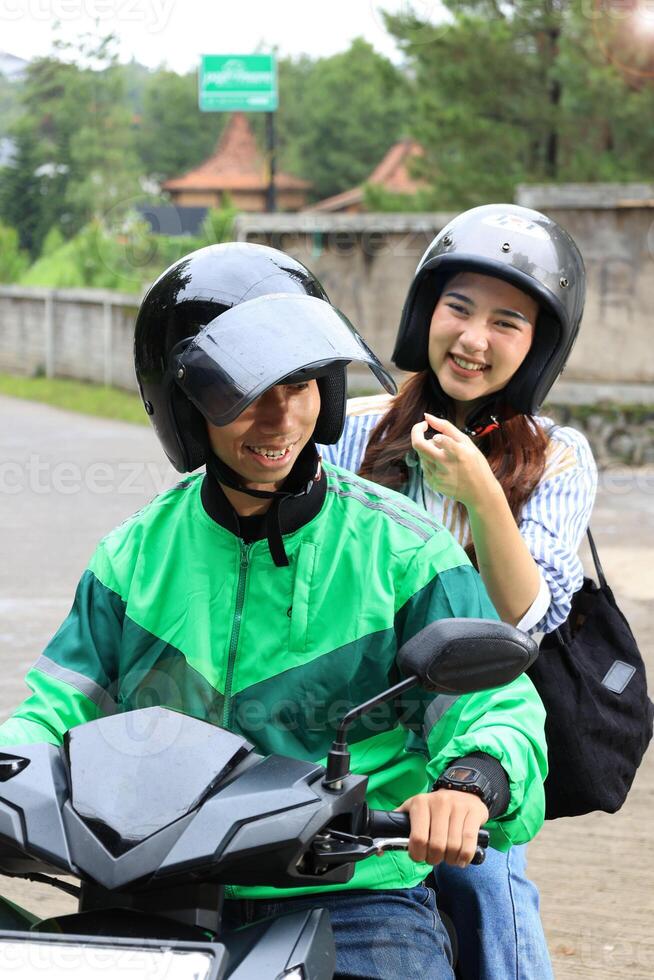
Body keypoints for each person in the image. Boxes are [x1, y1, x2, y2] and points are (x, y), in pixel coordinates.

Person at [0, 242, 548, 980]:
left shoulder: (404, 552)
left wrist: (470, 782)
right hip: (152, 887)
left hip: (349, 896)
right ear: (184, 405)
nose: (280, 417)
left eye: (300, 384)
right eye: (243, 392)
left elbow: (495, 707)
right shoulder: (132, 557)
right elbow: (52, 712)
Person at [321, 204, 598, 979]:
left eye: (507, 322)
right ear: (425, 313)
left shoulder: (559, 458)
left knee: (489, 897)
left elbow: (525, 616)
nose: (474, 339)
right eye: (459, 309)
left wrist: (480, 491)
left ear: (539, 345)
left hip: (474, 733)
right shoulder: (352, 430)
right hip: (355, 724)